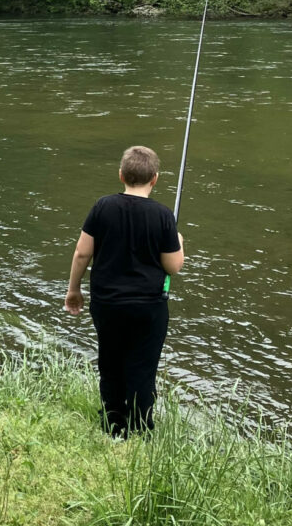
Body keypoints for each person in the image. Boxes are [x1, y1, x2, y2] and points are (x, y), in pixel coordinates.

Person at [65, 145, 185, 438]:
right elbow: (173, 267)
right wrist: (178, 241)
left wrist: (74, 290)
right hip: (149, 308)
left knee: (111, 362)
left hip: (107, 304)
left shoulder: (102, 207)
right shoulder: (163, 215)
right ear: (154, 179)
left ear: (121, 175)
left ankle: (113, 426)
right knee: (142, 369)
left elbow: (82, 254)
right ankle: (141, 430)